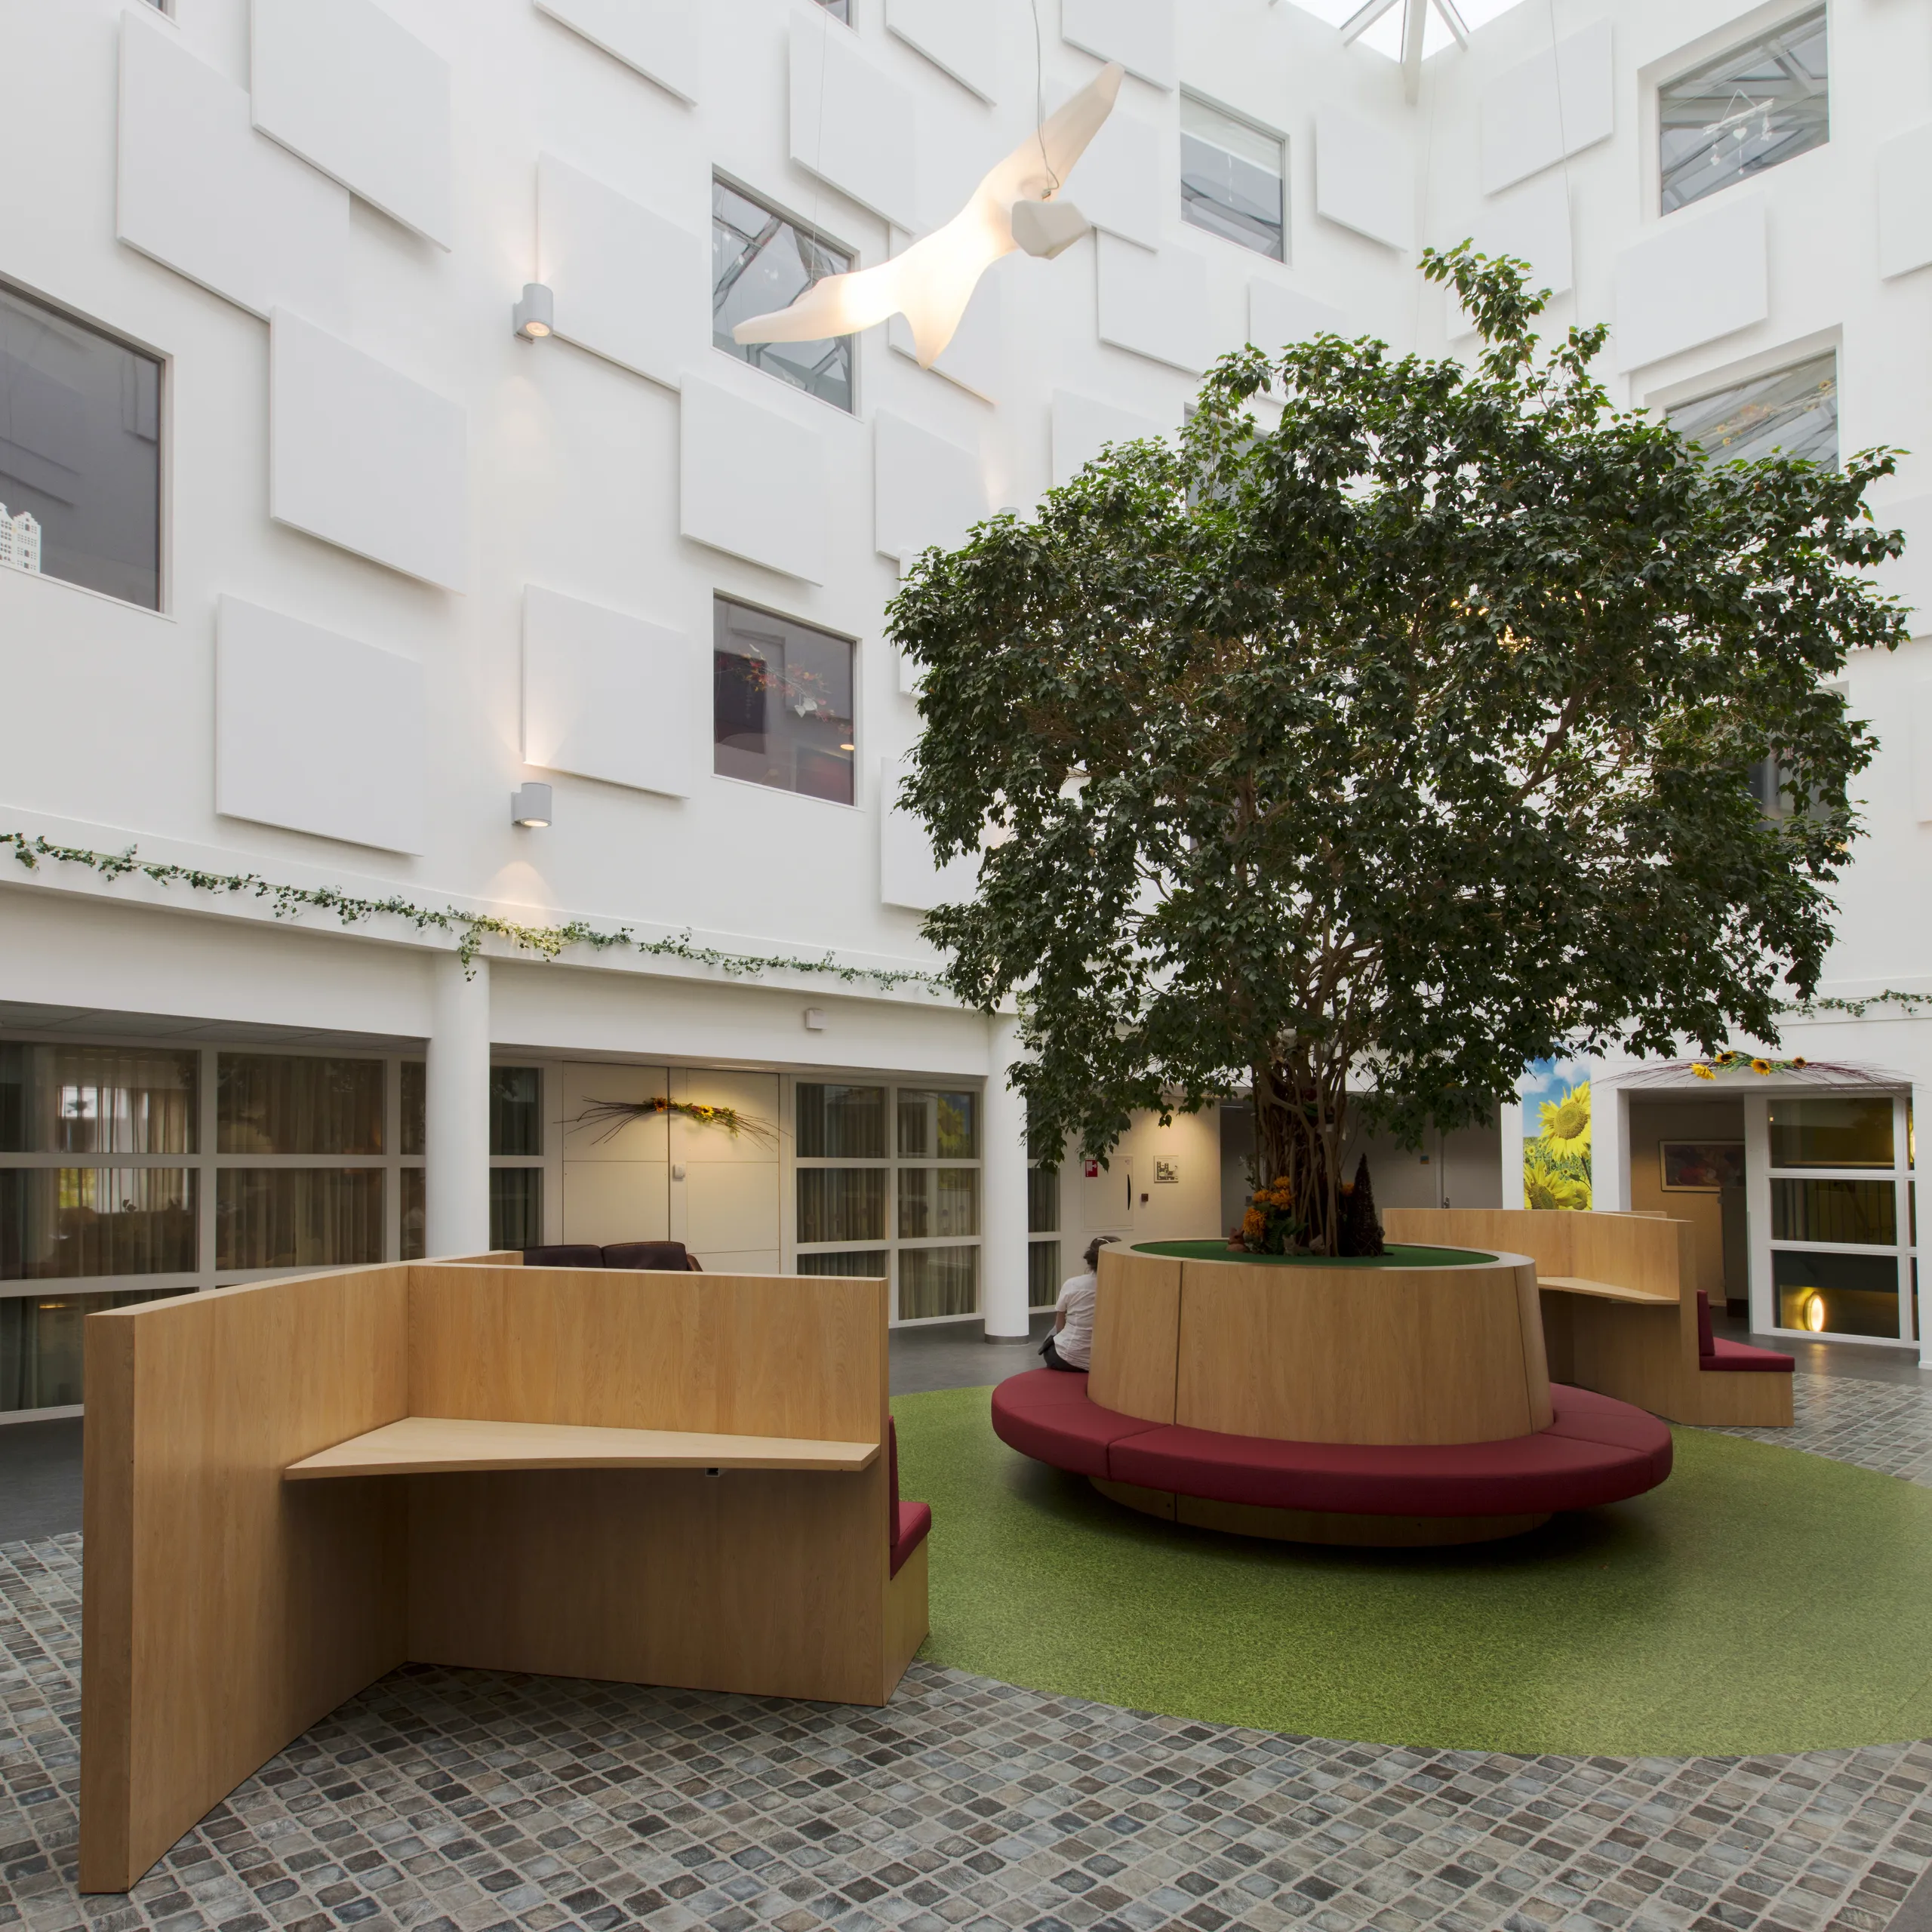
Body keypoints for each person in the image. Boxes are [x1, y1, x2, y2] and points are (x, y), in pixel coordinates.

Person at [1041, 1235, 1116, 1371]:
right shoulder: (1124, 1287)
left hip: (1066, 1359)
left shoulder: (1073, 1284)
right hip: (1106, 1362)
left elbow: (1059, 1326)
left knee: (1053, 1332)